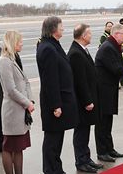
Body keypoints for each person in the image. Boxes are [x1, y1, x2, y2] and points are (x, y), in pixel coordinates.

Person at [36, 16, 78, 174]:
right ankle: (51, 170)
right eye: (61, 26)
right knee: (52, 140)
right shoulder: (47, 48)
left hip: (60, 100)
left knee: (56, 139)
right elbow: (50, 80)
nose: (63, 29)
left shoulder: (52, 45)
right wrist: (56, 105)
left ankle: (55, 168)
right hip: (54, 103)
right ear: (53, 29)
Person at [94, 23, 123, 162]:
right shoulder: (107, 47)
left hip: (109, 89)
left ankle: (109, 148)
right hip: (103, 91)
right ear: (116, 34)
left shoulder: (114, 46)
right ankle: (102, 151)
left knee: (108, 121)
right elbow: (116, 69)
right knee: (102, 123)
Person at [0, 31, 35, 174]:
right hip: (13, 112)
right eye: (20, 41)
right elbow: (10, 90)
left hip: (21, 110)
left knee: (19, 147)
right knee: (9, 147)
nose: (22, 43)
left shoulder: (14, 58)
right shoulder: (4, 61)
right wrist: (27, 103)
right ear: (13, 43)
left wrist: (29, 100)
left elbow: (25, 81)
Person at [68, 24, 103, 173]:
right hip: (83, 102)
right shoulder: (76, 53)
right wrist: (87, 101)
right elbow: (80, 81)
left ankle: (86, 158)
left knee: (86, 130)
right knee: (81, 132)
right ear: (83, 36)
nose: (91, 36)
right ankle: (81, 161)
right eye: (89, 33)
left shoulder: (82, 50)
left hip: (88, 99)